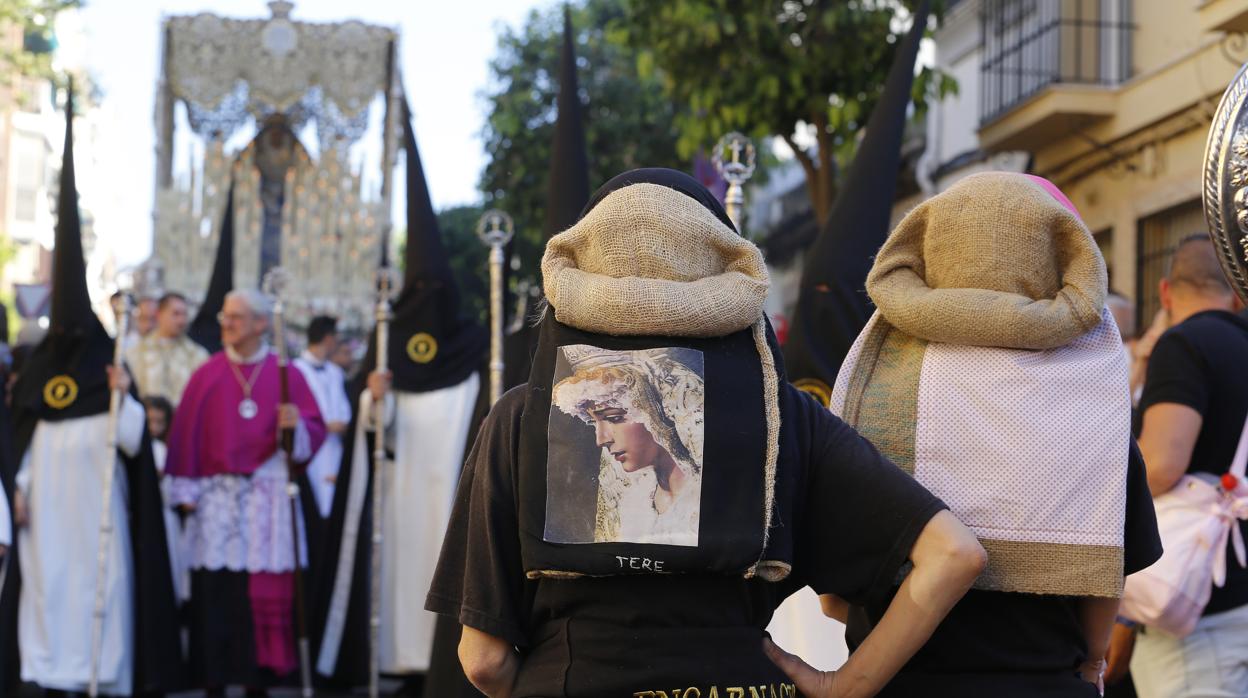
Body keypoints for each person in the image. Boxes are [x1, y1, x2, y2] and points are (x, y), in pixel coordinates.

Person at [425, 168, 986, 698]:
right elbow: (953, 553)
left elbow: (483, 660)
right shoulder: (786, 417)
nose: (600, 437)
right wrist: (852, 684)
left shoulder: (518, 419)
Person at [825, 173, 1162, 697]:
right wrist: (1093, 662)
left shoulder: (877, 400)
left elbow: (834, 598)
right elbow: (1104, 574)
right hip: (1045, 684)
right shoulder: (1094, 414)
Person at [0, 83, 182, 696]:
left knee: (100, 590)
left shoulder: (110, 372)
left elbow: (134, 440)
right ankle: (43, 675)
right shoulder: (35, 378)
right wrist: (16, 491)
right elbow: (18, 442)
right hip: (44, 517)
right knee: (46, 595)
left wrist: (121, 394)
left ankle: (103, 677)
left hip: (99, 517)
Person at [166, 288, 326, 696]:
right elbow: (185, 433)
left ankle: (259, 681)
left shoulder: (286, 373)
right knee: (217, 592)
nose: (225, 324)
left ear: (260, 323)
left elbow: (313, 428)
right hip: (218, 499)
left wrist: (295, 426)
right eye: (224, 317)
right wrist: (186, 490)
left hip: (267, 494)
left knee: (259, 593)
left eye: (235, 317)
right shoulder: (207, 372)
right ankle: (214, 680)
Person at [1118, 233, 1248, 697]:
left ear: (1166, 292)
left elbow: (1160, 465)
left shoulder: (1185, 344)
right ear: (1236, 292)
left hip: (1195, 616)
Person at [293, 315, 351, 519]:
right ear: (328, 338)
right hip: (312, 451)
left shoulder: (335, 372)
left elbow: (343, 408)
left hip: (334, 449)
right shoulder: (296, 370)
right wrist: (324, 426)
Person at [127, 291, 210, 406]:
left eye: (184, 314)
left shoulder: (197, 355)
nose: (182, 320)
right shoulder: (135, 353)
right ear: (159, 315)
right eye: (176, 314)